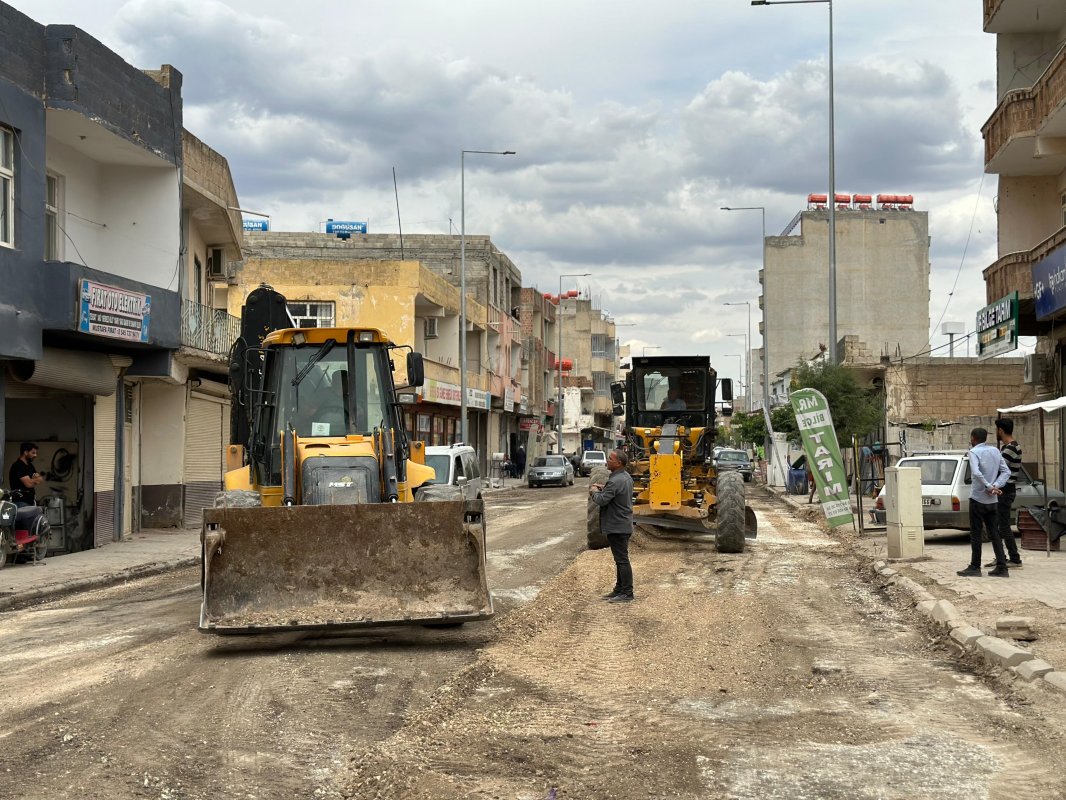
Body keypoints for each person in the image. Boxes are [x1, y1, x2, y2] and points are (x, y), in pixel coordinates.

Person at [957, 427, 1011, 578]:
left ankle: (975, 567)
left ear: (973, 438)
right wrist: (995, 486)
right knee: (994, 533)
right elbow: (1006, 471)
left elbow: (976, 472)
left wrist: (988, 486)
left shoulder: (974, 452)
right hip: (992, 500)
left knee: (976, 533)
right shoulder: (995, 451)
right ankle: (1002, 566)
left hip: (978, 498)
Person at [589, 449, 635, 602]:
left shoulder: (615, 481)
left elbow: (602, 500)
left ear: (618, 463)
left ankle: (627, 593)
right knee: (619, 560)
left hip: (617, 526)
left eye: (610, 459)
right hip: (623, 524)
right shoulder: (625, 477)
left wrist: (594, 491)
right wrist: (604, 488)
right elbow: (616, 492)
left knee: (622, 560)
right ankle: (619, 589)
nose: (607, 461)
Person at [991, 418, 1024, 569]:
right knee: (999, 525)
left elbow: (999, 467)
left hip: (1005, 490)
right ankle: (1001, 557)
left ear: (1001, 430)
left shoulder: (1011, 448)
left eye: (997, 430)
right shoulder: (1008, 447)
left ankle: (1014, 559)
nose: (996, 433)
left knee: (1003, 526)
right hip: (1004, 490)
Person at [8, 442, 46, 543]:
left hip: (30, 501)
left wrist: (33, 480)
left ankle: (28, 549)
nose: (35, 455)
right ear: (25, 452)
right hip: (21, 502)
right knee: (23, 531)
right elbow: (28, 484)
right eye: (33, 453)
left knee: (30, 530)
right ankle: (22, 551)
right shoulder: (18, 466)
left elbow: (40, 479)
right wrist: (34, 480)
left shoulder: (29, 466)